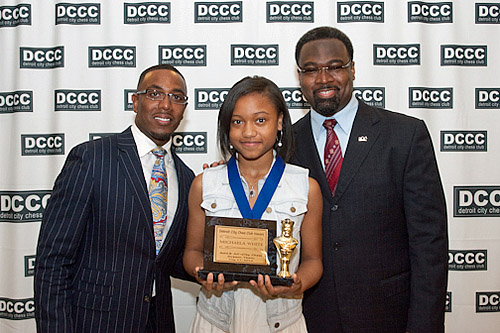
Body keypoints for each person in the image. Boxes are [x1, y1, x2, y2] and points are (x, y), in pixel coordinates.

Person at [292, 27, 448, 332]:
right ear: (299, 77)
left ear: (352, 69)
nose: (323, 79)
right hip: (307, 317)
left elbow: (429, 244)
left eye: (335, 67)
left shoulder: (404, 136)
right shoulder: (283, 144)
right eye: (311, 70)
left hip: (388, 315)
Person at [34, 64, 195, 333]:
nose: (166, 104)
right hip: (96, 323)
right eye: (155, 93)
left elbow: (168, 259)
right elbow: (53, 261)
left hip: (157, 321)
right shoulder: (92, 159)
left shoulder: (186, 177)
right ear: (135, 101)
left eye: (177, 97)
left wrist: (216, 271)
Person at [183, 76, 323, 332]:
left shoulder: (306, 186)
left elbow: (313, 260)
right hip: (215, 321)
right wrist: (202, 273)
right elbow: (191, 252)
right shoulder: (205, 183)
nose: (248, 132)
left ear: (279, 121)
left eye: (260, 120)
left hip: (282, 322)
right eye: (237, 122)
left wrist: (297, 283)